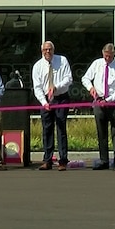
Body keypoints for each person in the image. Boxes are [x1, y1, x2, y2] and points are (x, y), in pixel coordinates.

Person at [82, 43, 115, 170]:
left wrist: (108, 100)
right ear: (103, 53)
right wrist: (91, 88)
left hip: (113, 102)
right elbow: (85, 78)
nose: (107, 59)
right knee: (101, 132)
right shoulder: (96, 64)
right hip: (98, 101)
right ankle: (103, 160)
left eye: (110, 57)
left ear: (114, 55)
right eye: (106, 56)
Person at [32, 41, 72, 171]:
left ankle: (63, 160)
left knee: (61, 129)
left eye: (50, 49)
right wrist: (44, 103)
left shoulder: (62, 60)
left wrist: (56, 87)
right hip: (45, 100)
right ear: (41, 51)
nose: (48, 52)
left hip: (61, 98)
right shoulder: (37, 66)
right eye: (45, 50)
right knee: (47, 129)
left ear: (53, 50)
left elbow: (69, 79)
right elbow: (37, 87)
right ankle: (47, 160)